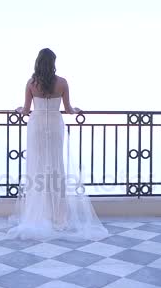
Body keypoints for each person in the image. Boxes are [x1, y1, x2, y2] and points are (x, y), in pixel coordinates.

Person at [7, 48, 108, 241]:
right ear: (53, 62)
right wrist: (76, 110)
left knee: (36, 169)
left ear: (38, 62)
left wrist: (20, 109)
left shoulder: (32, 83)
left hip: (36, 126)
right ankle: (58, 216)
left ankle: (38, 214)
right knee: (56, 168)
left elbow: (26, 110)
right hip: (55, 125)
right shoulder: (62, 82)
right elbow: (69, 109)